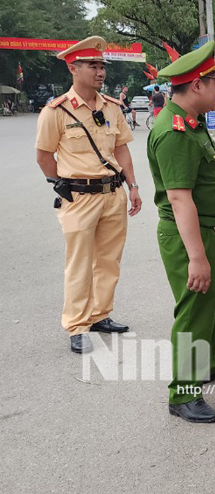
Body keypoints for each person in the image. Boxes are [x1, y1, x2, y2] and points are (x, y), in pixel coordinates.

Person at [148, 41, 215, 424]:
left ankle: (211, 363)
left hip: (208, 230)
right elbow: (180, 198)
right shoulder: (174, 132)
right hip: (190, 235)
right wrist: (198, 257)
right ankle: (183, 393)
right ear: (197, 85)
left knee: (213, 304)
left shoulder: (192, 121)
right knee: (193, 310)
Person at [35, 36, 143, 354]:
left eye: (101, 66)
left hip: (113, 193)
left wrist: (133, 186)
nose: (100, 72)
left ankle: (100, 315)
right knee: (80, 263)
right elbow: (43, 156)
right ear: (73, 68)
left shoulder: (111, 107)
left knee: (108, 260)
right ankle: (77, 326)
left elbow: (121, 148)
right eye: (92, 66)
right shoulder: (56, 111)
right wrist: (61, 184)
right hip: (79, 197)